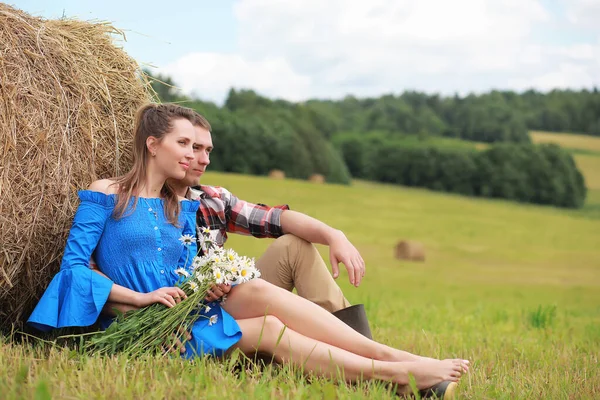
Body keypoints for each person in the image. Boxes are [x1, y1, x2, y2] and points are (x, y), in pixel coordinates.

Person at [28, 103, 469, 398]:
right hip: (139, 322)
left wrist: (207, 287)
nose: (195, 155)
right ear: (152, 144)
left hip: (184, 312)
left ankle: (396, 359)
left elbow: (193, 269)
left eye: (201, 148)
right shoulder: (106, 194)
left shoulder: (184, 206)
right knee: (263, 328)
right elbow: (73, 268)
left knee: (260, 298)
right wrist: (139, 299)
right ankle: (398, 376)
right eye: (185, 144)